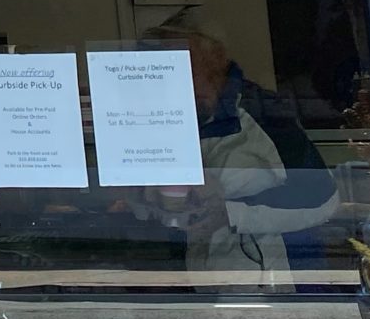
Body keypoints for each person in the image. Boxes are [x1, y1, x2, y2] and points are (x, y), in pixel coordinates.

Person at [139, 29, 341, 278]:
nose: (173, 83)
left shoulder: (264, 113)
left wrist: (230, 214)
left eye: (184, 70)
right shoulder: (161, 122)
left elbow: (322, 199)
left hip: (269, 284)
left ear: (214, 69)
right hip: (188, 283)